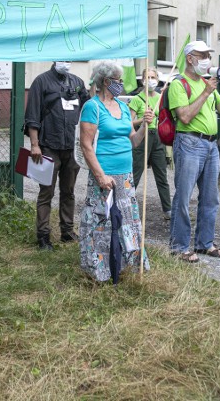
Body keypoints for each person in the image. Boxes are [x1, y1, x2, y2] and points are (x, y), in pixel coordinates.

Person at [168, 41, 220, 263]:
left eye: (208, 55)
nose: (207, 59)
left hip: (210, 145)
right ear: (190, 58)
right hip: (189, 142)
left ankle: (204, 243)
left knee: (210, 198)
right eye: (203, 54)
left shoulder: (208, 85)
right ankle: (179, 246)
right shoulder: (179, 84)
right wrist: (206, 92)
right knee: (184, 196)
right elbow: (185, 116)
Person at [78, 61, 152, 281]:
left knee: (128, 220)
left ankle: (126, 265)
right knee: (101, 220)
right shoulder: (93, 107)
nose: (121, 84)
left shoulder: (121, 106)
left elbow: (133, 141)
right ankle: (99, 268)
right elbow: (86, 145)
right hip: (105, 174)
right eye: (118, 80)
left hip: (126, 174)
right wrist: (100, 175)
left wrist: (145, 125)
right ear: (107, 81)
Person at [24, 61, 90, 250]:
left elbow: (88, 110)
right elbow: (32, 115)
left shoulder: (77, 82)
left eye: (69, 59)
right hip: (48, 146)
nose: (66, 62)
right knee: (46, 192)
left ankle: (67, 231)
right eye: (62, 58)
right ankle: (43, 235)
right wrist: (34, 145)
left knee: (68, 191)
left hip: (72, 146)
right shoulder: (41, 81)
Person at [128, 67, 172, 220]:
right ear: (143, 80)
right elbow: (129, 123)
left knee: (162, 174)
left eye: (153, 77)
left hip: (158, 137)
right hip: (142, 136)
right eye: (148, 77)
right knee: (136, 173)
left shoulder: (161, 97)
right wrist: (143, 119)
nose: (151, 80)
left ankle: (168, 209)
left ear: (158, 80)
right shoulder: (137, 99)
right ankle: (127, 205)